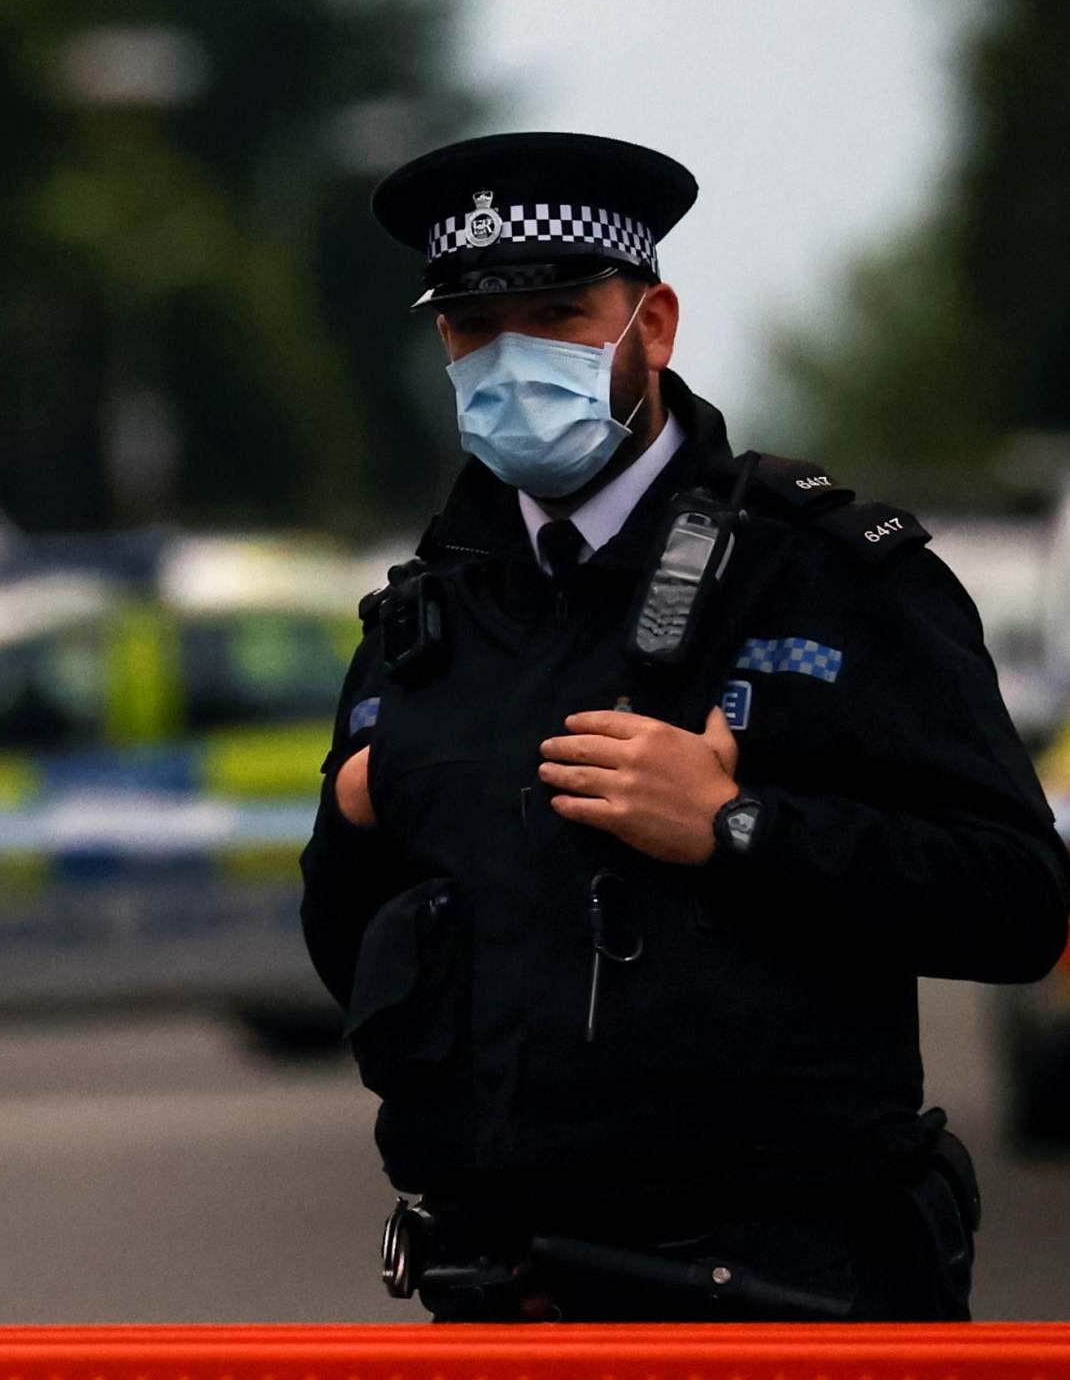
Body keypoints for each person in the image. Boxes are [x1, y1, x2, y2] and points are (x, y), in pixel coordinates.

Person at [302, 131, 1070, 1322]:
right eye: (471, 324)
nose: (511, 356)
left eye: (558, 313)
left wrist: (734, 826)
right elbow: (352, 953)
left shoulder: (827, 575)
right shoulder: (426, 616)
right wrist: (355, 813)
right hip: (496, 1298)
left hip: (782, 1292)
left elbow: (1019, 902)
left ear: (650, 324)